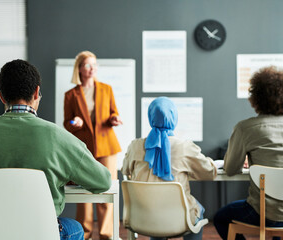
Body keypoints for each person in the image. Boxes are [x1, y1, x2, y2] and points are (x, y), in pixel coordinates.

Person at [0, 59, 112, 240]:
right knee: (76, 228)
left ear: (1, 96)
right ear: (37, 92)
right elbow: (102, 181)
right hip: (41, 233)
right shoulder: (59, 136)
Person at [121, 96, 217, 240]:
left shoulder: (135, 146)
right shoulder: (185, 147)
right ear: (174, 117)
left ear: (150, 117)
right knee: (198, 210)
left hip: (143, 217)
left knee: (154, 207)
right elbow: (209, 172)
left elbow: (125, 170)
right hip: (178, 219)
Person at [214, 66, 283, 240]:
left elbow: (230, 169)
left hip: (263, 214)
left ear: (255, 98)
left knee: (221, 218)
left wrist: (248, 157)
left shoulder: (246, 128)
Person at [63, 51, 122, 240]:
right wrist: (75, 123)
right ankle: (85, 234)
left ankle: (107, 234)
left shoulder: (106, 89)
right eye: (87, 65)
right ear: (79, 68)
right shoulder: (71, 95)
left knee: (107, 190)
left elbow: (113, 113)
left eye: (94, 65)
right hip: (84, 149)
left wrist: (114, 119)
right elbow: (67, 123)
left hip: (107, 147)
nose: (92, 69)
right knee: (84, 193)